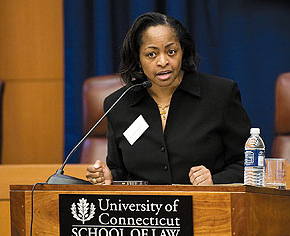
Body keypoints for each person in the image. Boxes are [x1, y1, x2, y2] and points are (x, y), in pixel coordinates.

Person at [86, 12, 251, 186]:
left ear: (183, 51)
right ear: (138, 59)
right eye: (151, 54)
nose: (163, 61)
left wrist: (214, 180)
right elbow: (119, 170)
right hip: (144, 211)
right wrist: (108, 177)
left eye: (171, 51)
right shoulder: (118, 105)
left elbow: (249, 164)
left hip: (209, 207)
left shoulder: (220, 94)